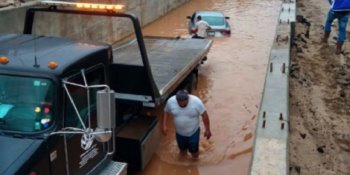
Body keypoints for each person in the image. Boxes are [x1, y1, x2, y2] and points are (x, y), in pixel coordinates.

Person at [162, 89, 211, 159]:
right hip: (179, 133)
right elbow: (165, 111)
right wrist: (164, 125)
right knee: (182, 151)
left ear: (188, 98)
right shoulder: (171, 102)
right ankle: (183, 163)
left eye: (185, 100)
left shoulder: (196, 102)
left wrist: (207, 130)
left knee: (194, 152)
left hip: (193, 132)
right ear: (177, 100)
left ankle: (194, 164)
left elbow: (204, 115)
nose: (182, 103)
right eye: (180, 101)